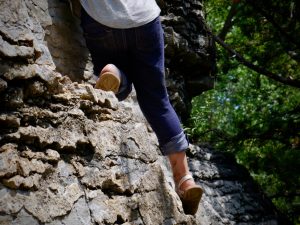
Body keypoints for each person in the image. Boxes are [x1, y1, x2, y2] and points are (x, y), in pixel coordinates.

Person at [76, 0, 203, 215]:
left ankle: (112, 70)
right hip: (144, 17)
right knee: (157, 101)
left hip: (101, 21)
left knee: (119, 89)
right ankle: (184, 179)